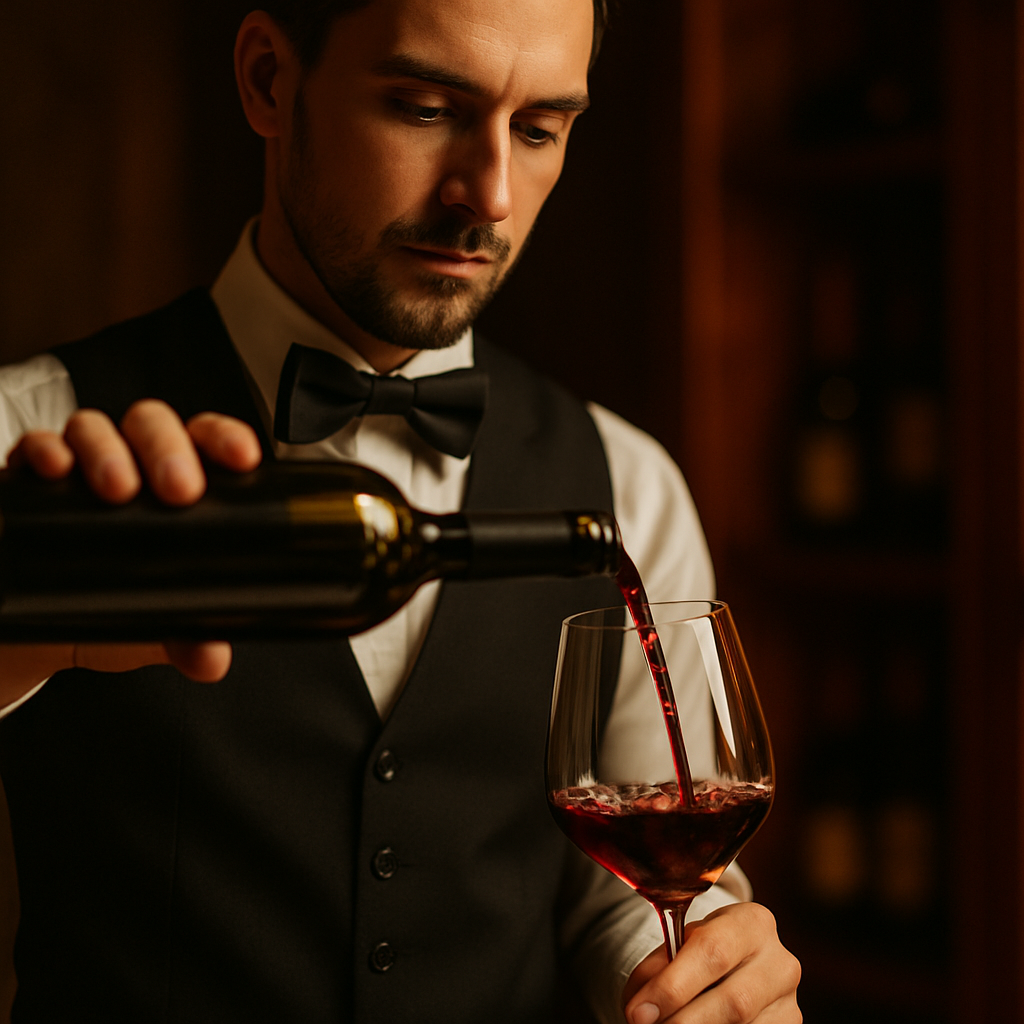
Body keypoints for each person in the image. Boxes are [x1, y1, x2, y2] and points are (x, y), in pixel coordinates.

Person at [0, 1, 802, 1021]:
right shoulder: (24, 437)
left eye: (541, 129)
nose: (491, 197)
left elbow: (615, 902)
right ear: (267, 81)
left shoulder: (627, 479)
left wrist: (698, 972)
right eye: (425, 108)